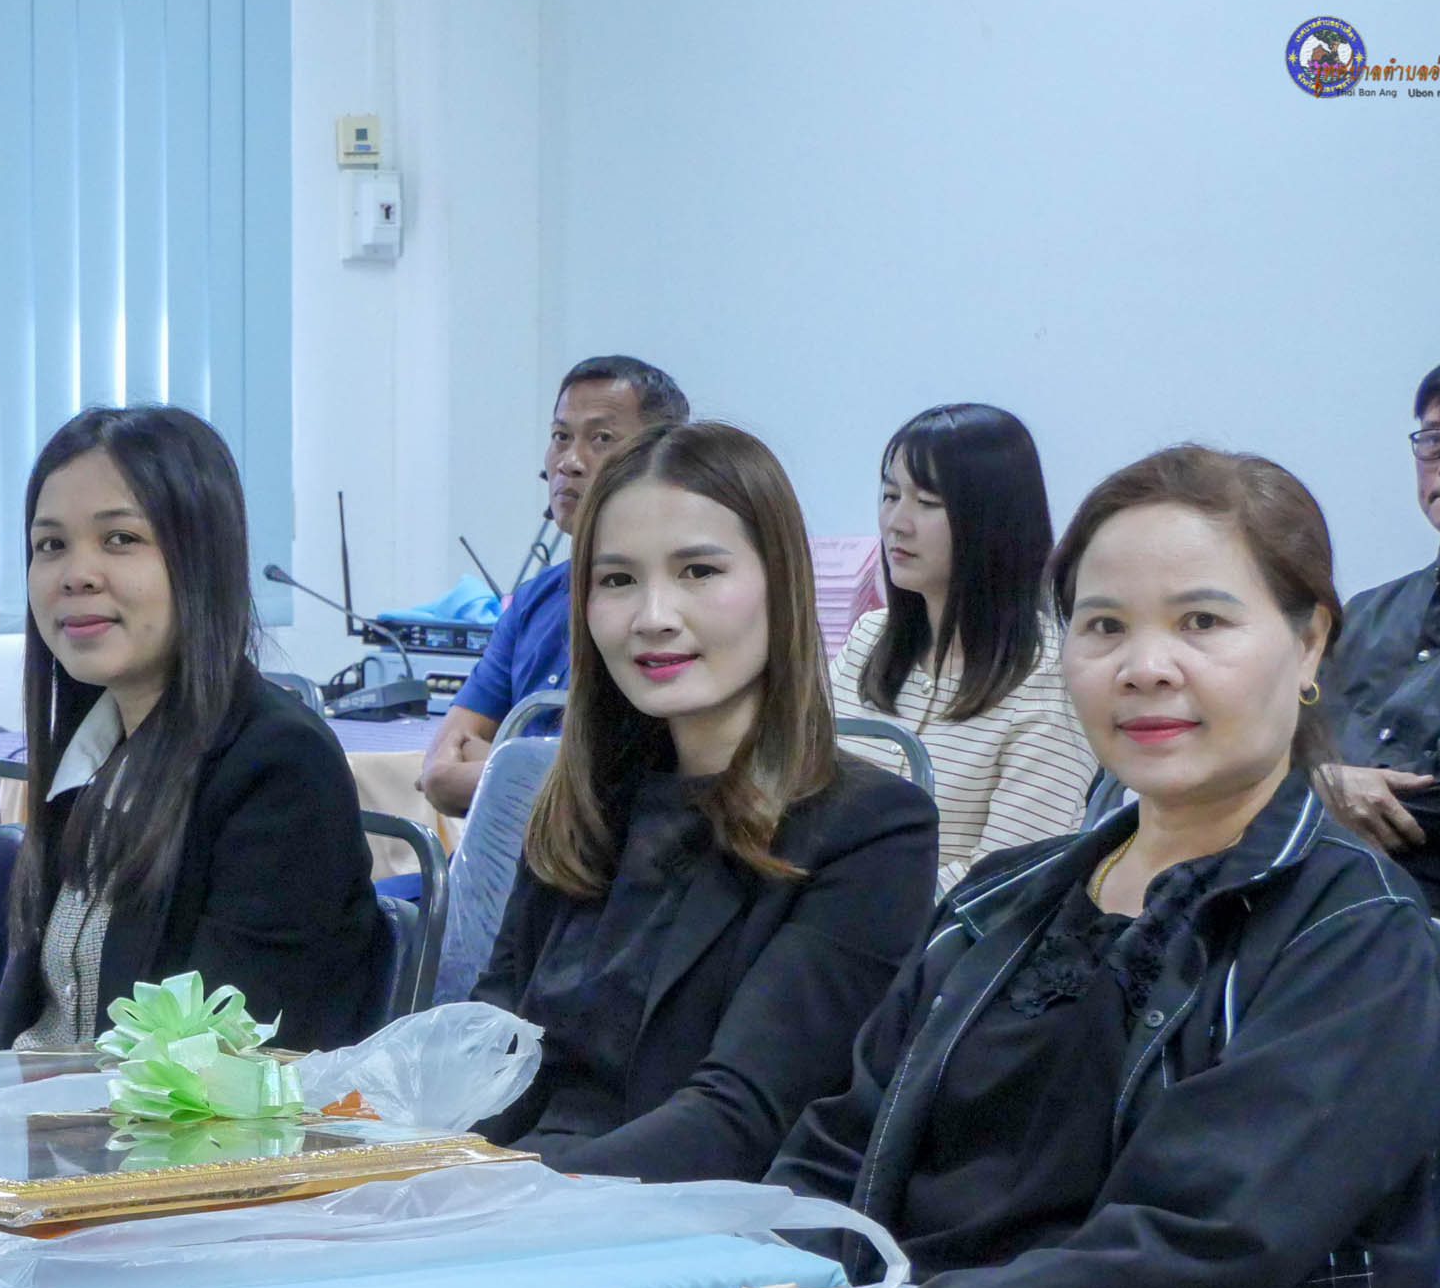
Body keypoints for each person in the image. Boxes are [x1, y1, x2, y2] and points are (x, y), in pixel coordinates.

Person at [771, 445, 1440, 1288]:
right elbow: (832, 1154)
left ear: (1311, 641)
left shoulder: (1357, 942)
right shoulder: (1001, 904)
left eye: (1202, 621)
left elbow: (1186, 1255)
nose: (1146, 665)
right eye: (1105, 626)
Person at [468, 422, 936, 1181]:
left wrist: (502, 1203)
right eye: (617, 580)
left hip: (675, 1220)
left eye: (698, 571)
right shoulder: (585, 803)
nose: (653, 615)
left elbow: (739, 1119)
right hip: (507, 1196)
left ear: (780, 584)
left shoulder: (871, 828)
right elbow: (484, 1061)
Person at [0, 406, 384, 1052]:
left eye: (120, 538)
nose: (75, 574)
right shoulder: (88, 755)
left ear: (202, 559)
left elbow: (221, 1063)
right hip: (37, 1107)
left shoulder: (278, 768)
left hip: (159, 1118)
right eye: (50, 545)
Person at [833, 403, 1095, 892]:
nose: (897, 523)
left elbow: (1009, 878)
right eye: (890, 495)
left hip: (935, 934)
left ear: (995, 519)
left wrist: (850, 902)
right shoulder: (868, 638)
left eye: (928, 503)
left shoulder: (1051, 683)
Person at [416, 355, 687, 818]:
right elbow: (439, 772)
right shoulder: (534, 600)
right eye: (561, 437)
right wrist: (529, 773)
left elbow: (622, 788)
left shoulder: (668, 608)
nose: (570, 462)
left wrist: (500, 764)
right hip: (503, 854)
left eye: (601, 439)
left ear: (661, 458)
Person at [1316, 347, 1440, 916]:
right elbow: (1273, 744)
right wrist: (1320, 784)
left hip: (1434, 915)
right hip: (1293, 882)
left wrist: (1310, 798)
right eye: (1433, 439)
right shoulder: (1366, 613)